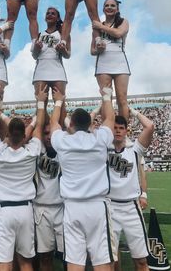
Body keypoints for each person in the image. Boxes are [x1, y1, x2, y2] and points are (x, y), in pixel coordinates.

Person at [50, 87, 117, 271]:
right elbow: (110, 119)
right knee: (102, 261)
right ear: (90, 125)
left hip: (72, 208)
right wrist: (105, 95)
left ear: (70, 124)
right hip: (97, 206)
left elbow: (54, 122)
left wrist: (58, 100)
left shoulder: (63, 141)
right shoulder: (100, 138)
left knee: (75, 262)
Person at [0, 87, 48, 271]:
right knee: (25, 261)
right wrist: (40, 102)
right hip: (26, 210)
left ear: (7, 134)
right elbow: (37, 127)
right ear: (24, 136)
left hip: (4, 211)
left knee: (5, 262)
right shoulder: (32, 151)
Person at [108, 108, 154, 271]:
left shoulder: (134, 150)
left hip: (131, 208)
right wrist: (101, 107)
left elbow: (150, 126)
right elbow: (82, 129)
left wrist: (133, 111)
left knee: (141, 261)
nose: (118, 131)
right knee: (110, 262)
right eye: (115, 127)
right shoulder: (103, 149)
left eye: (121, 128)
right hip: (110, 208)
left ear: (127, 130)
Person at [33, 119, 65, 271]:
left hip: (63, 208)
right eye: (45, 133)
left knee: (70, 255)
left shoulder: (65, 151)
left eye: (51, 133)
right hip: (41, 210)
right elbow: (37, 128)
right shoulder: (37, 151)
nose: (48, 136)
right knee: (45, 255)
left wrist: (60, 102)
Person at [92, 0, 130, 120]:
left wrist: (100, 27)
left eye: (112, 5)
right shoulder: (97, 27)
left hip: (120, 63)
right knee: (106, 99)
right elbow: (92, 50)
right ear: (103, 9)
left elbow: (118, 33)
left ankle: (123, 132)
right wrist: (99, 49)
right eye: (107, 5)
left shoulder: (123, 22)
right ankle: (107, 131)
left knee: (122, 99)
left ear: (117, 9)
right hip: (103, 64)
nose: (109, 7)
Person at [31, 7, 70, 123]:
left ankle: (62, 132)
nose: (50, 15)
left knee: (60, 104)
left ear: (58, 18)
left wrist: (62, 50)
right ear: (45, 17)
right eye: (48, 13)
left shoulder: (63, 34)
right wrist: (36, 48)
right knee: (40, 104)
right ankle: (42, 134)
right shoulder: (39, 34)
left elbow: (68, 55)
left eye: (53, 13)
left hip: (57, 69)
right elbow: (34, 56)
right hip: (41, 70)